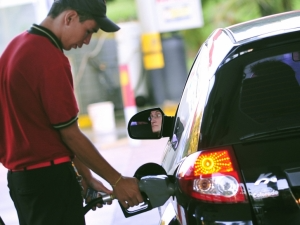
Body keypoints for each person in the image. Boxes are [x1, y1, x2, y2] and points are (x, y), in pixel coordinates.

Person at [0, 0, 143, 224]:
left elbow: (50, 129)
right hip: (50, 183)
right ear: (69, 18)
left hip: (22, 182)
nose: (87, 41)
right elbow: (70, 134)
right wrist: (118, 181)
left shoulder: (14, 47)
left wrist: (86, 176)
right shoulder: (50, 59)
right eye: (88, 31)